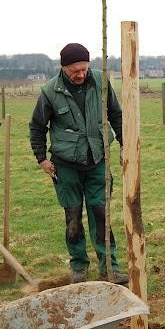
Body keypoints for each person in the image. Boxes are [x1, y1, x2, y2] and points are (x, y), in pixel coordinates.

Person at [29, 43, 128, 285]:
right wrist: (42, 158)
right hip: (66, 166)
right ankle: (79, 267)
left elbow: (116, 114)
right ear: (63, 68)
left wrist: (126, 145)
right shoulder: (50, 91)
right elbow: (37, 127)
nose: (80, 74)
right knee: (72, 217)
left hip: (97, 161)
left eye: (84, 69)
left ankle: (110, 268)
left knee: (100, 214)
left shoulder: (100, 83)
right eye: (75, 70)